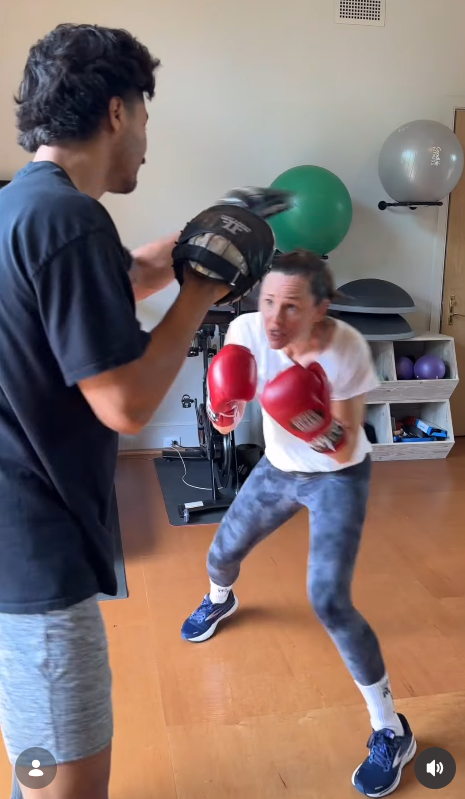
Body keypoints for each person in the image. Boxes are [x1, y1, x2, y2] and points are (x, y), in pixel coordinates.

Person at [0, 23, 231, 799]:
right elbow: (125, 402)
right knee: (66, 781)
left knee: (37, 740)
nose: (144, 144)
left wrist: (194, 242)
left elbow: (109, 284)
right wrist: (202, 293)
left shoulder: (24, 207)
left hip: (15, 530)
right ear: (115, 112)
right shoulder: (70, 221)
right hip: (36, 543)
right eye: (145, 118)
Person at [181, 250, 417, 797]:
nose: (274, 319)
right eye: (267, 302)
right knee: (220, 554)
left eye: (291, 307)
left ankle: (391, 729)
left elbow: (344, 445)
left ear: (320, 309)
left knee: (329, 599)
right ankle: (221, 598)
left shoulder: (348, 350)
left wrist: (309, 419)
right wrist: (224, 409)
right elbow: (229, 413)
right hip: (277, 468)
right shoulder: (245, 329)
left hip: (338, 475)